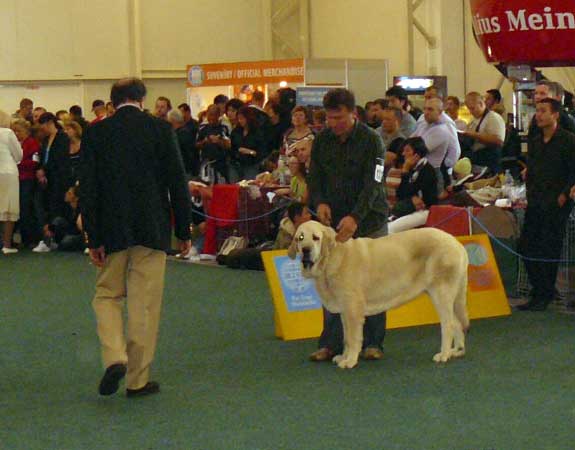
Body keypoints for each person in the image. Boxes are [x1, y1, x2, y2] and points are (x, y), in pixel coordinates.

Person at [80, 77, 191, 397]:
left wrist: (92, 237)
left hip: (111, 230)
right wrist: (183, 230)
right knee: (144, 304)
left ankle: (114, 356)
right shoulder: (161, 130)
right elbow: (177, 182)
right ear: (142, 100)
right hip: (152, 229)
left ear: (112, 102)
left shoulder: (96, 132)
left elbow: (88, 189)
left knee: (107, 296)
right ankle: (137, 379)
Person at [307, 88, 388, 362]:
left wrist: (356, 217)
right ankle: (330, 343)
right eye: (329, 118)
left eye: (338, 117)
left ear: (353, 114)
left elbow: (374, 184)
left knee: (373, 282)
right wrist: (319, 203)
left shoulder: (372, 141)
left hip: (369, 220)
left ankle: (373, 343)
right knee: (330, 280)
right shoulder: (322, 141)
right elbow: (314, 177)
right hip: (333, 224)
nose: (332, 123)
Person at [517, 98, 575, 312]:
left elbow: (573, 170)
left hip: (557, 202)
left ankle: (545, 293)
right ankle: (539, 288)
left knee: (549, 247)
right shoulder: (534, 141)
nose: (538, 115)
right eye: (537, 111)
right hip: (536, 200)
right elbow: (531, 167)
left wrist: (564, 193)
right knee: (525, 245)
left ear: (555, 114)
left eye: (543, 111)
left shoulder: (568, 140)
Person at [33, 112, 71, 253]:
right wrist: (40, 169)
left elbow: (60, 159)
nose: (42, 129)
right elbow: (43, 157)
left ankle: (54, 238)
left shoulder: (63, 138)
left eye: (43, 126)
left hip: (59, 179)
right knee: (45, 208)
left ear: (50, 122)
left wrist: (46, 170)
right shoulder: (46, 139)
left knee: (57, 209)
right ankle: (47, 239)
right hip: (46, 180)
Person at [388, 137, 437, 233]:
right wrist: (406, 171)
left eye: (407, 151)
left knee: (390, 229)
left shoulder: (427, 170)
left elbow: (425, 200)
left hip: (424, 211)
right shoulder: (412, 168)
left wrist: (405, 171)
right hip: (408, 207)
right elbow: (400, 194)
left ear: (417, 154)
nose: (403, 154)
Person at [12, 119, 40, 246]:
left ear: (27, 131)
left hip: (27, 179)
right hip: (15, 179)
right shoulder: (13, 143)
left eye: (19, 131)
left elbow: (34, 162)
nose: (16, 134)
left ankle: (29, 238)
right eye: (15, 131)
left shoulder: (32, 143)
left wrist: (17, 164)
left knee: (26, 208)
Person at [462, 92, 506, 174]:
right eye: (469, 109)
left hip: (489, 162)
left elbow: (498, 141)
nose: (471, 111)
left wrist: (475, 135)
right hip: (476, 161)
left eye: (472, 108)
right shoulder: (473, 120)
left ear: (481, 103)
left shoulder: (493, 118)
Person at [0, 111, 23, 254]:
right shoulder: (8, 132)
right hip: (8, 172)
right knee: (9, 209)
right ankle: (7, 245)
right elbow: (19, 154)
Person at [230, 106, 267, 180]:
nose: (240, 121)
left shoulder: (257, 133)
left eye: (242, 118)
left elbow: (262, 151)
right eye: (239, 119)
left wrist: (250, 152)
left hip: (251, 164)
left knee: (249, 186)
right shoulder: (236, 132)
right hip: (236, 164)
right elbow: (232, 147)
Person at [168, 109, 199, 177]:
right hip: (189, 168)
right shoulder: (186, 132)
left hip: (184, 170)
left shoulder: (178, 136)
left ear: (172, 121)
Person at [376, 106, 406, 170]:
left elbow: (385, 161)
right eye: (383, 119)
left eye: (388, 119)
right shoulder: (377, 133)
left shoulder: (399, 141)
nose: (384, 122)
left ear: (397, 121)